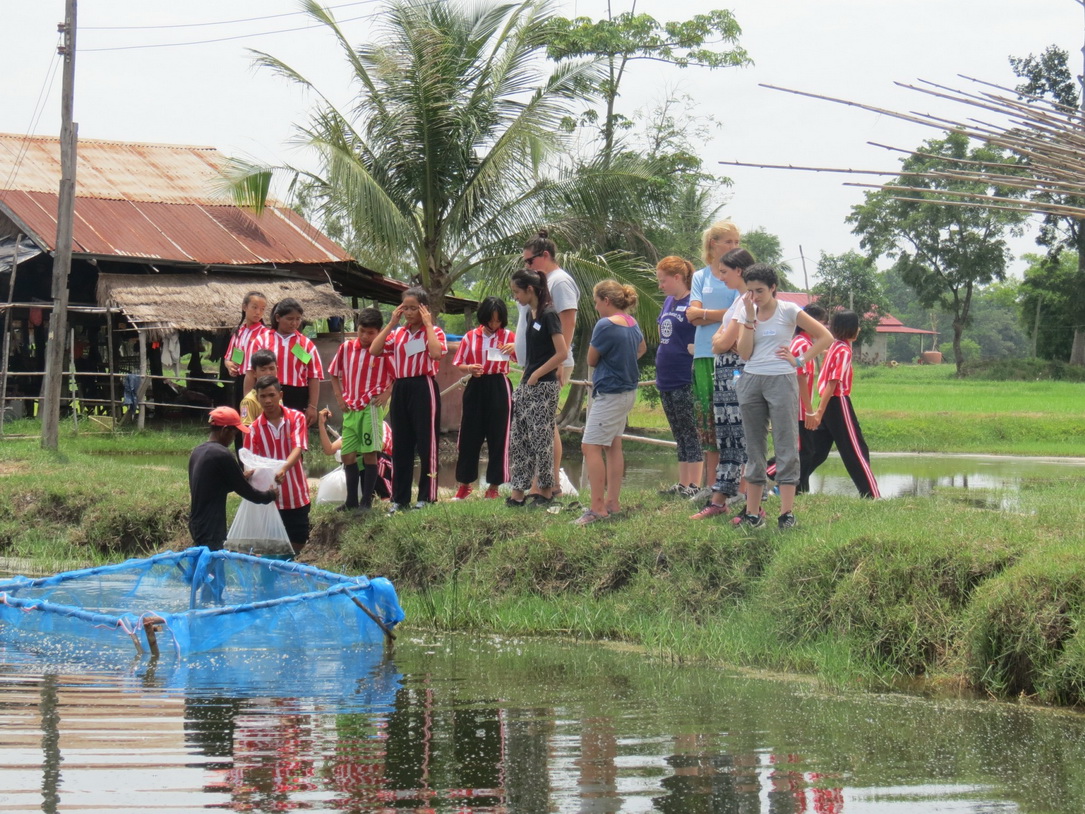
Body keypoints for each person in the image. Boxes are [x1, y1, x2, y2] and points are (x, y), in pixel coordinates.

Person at [734, 264, 833, 529]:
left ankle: (786, 513)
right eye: (750, 291)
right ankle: (753, 514)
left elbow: (825, 337)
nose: (755, 296)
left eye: (760, 290)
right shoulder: (748, 311)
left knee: (786, 444)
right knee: (754, 448)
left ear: (773, 288)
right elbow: (744, 353)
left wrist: (799, 360)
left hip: (782, 379)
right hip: (751, 380)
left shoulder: (788, 310)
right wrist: (748, 317)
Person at [690, 247, 756, 521]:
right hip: (725, 374)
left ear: (739, 271)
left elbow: (726, 342)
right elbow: (719, 340)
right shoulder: (738, 302)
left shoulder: (746, 302)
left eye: (725, 272)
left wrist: (720, 341)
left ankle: (725, 499)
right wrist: (720, 341)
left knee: (735, 438)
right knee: (728, 436)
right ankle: (726, 497)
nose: (721, 277)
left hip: (736, 376)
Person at [370, 287, 447, 511]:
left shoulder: (434, 332)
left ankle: (427, 496)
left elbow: (435, 353)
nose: (410, 312)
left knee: (426, 443)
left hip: (424, 386)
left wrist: (429, 324)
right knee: (401, 445)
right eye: (406, 308)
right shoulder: (398, 334)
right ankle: (399, 499)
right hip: (401, 387)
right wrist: (391, 323)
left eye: (414, 308)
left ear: (424, 309)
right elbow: (375, 350)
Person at [575, 281, 646, 525]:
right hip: (628, 391)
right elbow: (641, 348)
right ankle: (612, 502)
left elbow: (591, 359)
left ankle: (596, 507)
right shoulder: (632, 322)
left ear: (606, 300)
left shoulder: (604, 325)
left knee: (590, 447)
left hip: (609, 394)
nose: (595, 307)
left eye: (596, 302)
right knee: (613, 445)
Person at [514, 230, 579, 497]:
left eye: (530, 261)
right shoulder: (537, 284)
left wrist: (558, 364)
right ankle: (541, 482)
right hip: (533, 366)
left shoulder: (559, 281)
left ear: (545, 256)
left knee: (544, 425)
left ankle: (549, 484)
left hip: (551, 364)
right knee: (535, 425)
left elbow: (568, 323)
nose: (526, 266)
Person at [686, 220, 741, 498]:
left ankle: (737, 485)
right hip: (704, 353)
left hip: (730, 353)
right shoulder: (700, 276)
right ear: (713, 244)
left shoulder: (738, 276)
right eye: (728, 241)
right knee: (706, 418)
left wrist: (704, 314)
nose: (733, 247)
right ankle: (710, 485)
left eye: (736, 242)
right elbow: (689, 312)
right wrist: (713, 313)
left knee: (731, 420)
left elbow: (735, 312)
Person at [505, 268, 568, 507]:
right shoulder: (531, 314)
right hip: (527, 384)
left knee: (542, 440)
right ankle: (517, 492)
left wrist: (539, 374)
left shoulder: (549, 314)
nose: (516, 298)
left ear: (530, 289)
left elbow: (561, 352)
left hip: (543, 386)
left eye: (517, 292)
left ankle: (545, 490)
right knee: (519, 439)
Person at [804, 310, 881, 498]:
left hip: (829, 403)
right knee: (856, 449)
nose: (860, 329)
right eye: (857, 326)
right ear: (851, 330)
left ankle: (779, 475)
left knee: (817, 450)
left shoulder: (835, 346)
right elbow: (833, 382)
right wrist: (820, 411)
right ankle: (872, 495)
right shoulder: (844, 350)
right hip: (838, 402)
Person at [327, 307, 395, 511]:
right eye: (361, 331)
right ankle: (351, 501)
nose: (365, 336)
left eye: (371, 333)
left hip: (371, 408)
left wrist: (386, 393)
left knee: (369, 453)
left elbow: (397, 374)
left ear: (379, 332)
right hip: (350, 407)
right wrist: (339, 397)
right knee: (348, 454)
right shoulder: (346, 348)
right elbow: (333, 373)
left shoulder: (384, 351)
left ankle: (367, 501)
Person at [451, 296, 516, 500]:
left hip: (499, 385)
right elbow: (459, 362)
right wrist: (469, 368)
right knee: (470, 435)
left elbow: (522, 359)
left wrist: (516, 348)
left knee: (499, 436)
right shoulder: (470, 336)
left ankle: (493, 487)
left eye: (498, 320)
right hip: (476, 385)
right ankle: (464, 485)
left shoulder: (509, 337)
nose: (494, 324)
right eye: (491, 320)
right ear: (484, 318)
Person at [188, 406, 277, 551]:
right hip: (212, 527)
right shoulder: (222, 454)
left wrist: (241, 478)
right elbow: (247, 492)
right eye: (234, 433)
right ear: (224, 430)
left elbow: (212, 487)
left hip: (196, 523)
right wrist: (270, 495)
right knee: (213, 568)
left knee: (205, 567)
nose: (234, 438)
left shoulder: (198, 452)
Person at [244, 376, 312, 555]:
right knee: (270, 548)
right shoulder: (254, 429)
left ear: (280, 395)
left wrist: (283, 468)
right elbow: (249, 460)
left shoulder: (296, 418)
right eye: (263, 396)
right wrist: (247, 472)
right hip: (269, 500)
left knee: (298, 543)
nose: (267, 400)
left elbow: (298, 447)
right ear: (257, 398)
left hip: (296, 496)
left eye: (271, 395)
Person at [654, 256, 702, 498]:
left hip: (685, 375)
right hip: (665, 375)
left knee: (691, 430)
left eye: (663, 280)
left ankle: (695, 484)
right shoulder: (668, 302)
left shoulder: (693, 302)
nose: (661, 286)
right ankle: (683, 483)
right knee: (678, 432)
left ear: (677, 277)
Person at [244, 298, 324, 427]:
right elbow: (250, 372)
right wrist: (248, 400)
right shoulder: (261, 341)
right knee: (266, 430)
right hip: (267, 393)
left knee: (292, 432)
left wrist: (313, 406)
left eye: (298, 319)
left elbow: (314, 376)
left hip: (297, 396)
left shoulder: (306, 345)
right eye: (290, 319)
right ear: (278, 318)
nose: (294, 323)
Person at [789, 302, 829, 493]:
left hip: (799, 407)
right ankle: (794, 489)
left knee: (807, 452)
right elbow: (801, 377)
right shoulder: (802, 344)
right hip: (798, 409)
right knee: (805, 452)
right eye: (821, 323)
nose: (823, 328)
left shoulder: (802, 343)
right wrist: (809, 410)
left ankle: (800, 490)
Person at [318, 408, 394, 503]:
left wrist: (356, 444)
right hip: (363, 469)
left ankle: (385, 496)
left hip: (384, 468)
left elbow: (380, 446)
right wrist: (321, 424)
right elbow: (329, 450)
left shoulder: (380, 425)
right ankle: (356, 499)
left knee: (374, 456)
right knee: (350, 457)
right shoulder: (353, 429)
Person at [223, 291, 267, 407]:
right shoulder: (238, 332)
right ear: (244, 307)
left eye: (262, 309)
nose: (258, 312)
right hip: (239, 379)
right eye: (254, 307)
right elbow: (228, 357)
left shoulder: (265, 334)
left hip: (258, 380)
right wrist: (229, 365)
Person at [239, 349, 277, 427]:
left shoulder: (278, 396)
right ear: (254, 373)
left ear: (277, 369)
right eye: (263, 369)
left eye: (272, 368)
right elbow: (246, 430)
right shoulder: (249, 401)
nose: (268, 373)